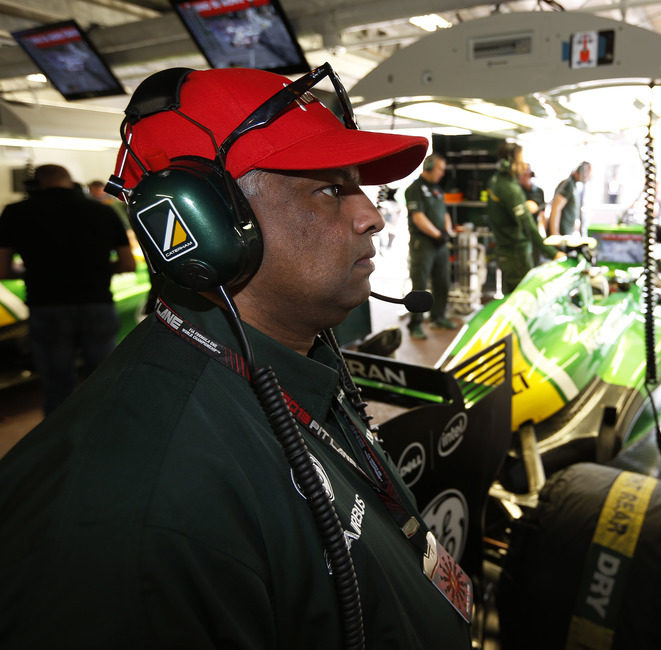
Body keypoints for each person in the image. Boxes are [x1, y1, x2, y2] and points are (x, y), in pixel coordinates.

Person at [0, 64, 472, 648]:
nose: (369, 215)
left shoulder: (295, 360)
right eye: (330, 188)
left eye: (360, 186)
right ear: (206, 227)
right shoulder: (143, 517)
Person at [0, 164, 136, 414]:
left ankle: (60, 447)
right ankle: (107, 440)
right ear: (72, 182)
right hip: (97, 304)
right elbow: (128, 264)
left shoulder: (15, 213)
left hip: (47, 307)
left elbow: (3, 270)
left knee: (57, 389)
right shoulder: (102, 212)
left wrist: (30, 271)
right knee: (103, 382)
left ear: (34, 185)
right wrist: (98, 269)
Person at [486, 142, 559, 294]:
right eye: (521, 161)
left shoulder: (495, 181)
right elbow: (529, 227)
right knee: (522, 299)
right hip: (516, 256)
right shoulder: (510, 188)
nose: (524, 166)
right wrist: (553, 253)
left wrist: (522, 206)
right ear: (509, 163)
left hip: (506, 252)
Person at [404, 153, 457, 339]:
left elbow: (445, 213)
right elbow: (418, 217)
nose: (442, 173)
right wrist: (437, 234)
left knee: (443, 282)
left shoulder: (438, 189)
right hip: (423, 245)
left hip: (440, 244)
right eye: (440, 169)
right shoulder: (414, 189)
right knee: (420, 286)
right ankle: (415, 324)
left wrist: (447, 232)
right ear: (428, 167)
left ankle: (438, 317)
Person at [548, 161, 591, 237]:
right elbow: (556, 208)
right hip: (561, 234)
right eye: (588, 173)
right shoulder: (568, 184)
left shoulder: (574, 185)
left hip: (567, 233)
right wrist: (555, 235)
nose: (589, 176)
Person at [518, 161, 547, 264]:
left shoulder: (538, 192)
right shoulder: (517, 191)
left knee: (535, 260)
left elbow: (542, 214)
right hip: (520, 234)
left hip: (534, 231)